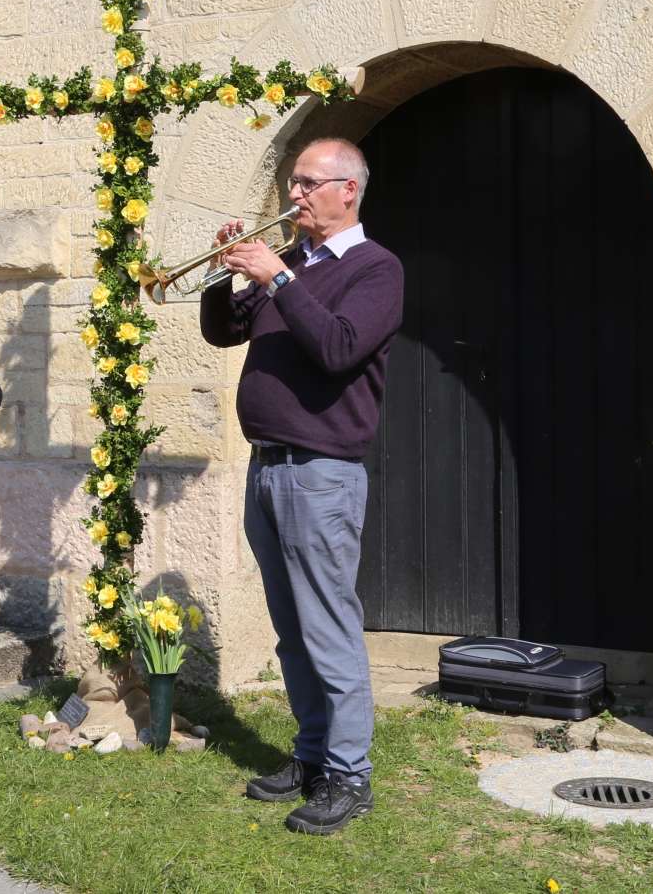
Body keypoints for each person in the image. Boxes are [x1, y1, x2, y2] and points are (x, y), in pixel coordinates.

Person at [200, 137, 404, 836]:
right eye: (292, 183)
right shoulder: (289, 261)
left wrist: (277, 281)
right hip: (268, 466)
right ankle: (313, 753)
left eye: (308, 184)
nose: (294, 195)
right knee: (291, 629)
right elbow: (223, 334)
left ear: (348, 189)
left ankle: (351, 775)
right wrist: (225, 275)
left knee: (328, 628)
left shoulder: (376, 269)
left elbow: (340, 346)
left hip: (321, 474)